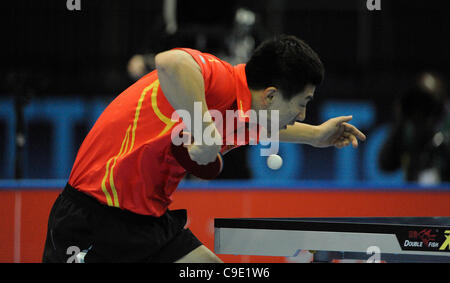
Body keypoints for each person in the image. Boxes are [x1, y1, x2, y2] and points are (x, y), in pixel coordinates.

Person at [42, 35, 366, 263]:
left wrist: (315, 136)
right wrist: (205, 131)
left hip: (150, 224)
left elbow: (269, 127)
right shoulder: (221, 79)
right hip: (95, 215)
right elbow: (169, 62)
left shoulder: (247, 114)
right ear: (270, 95)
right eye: (302, 104)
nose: (303, 114)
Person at [379, 72, 449, 184]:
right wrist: (400, 122)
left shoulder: (446, 125)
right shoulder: (409, 127)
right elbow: (386, 164)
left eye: (430, 100)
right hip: (414, 194)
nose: (426, 106)